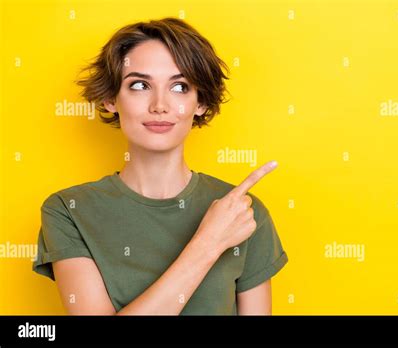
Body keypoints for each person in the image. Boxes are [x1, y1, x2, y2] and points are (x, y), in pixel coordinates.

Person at [33, 18, 288, 315]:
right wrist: (208, 244)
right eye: (140, 85)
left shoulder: (241, 212)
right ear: (110, 98)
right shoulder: (68, 209)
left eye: (179, 87)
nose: (160, 105)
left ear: (201, 102)